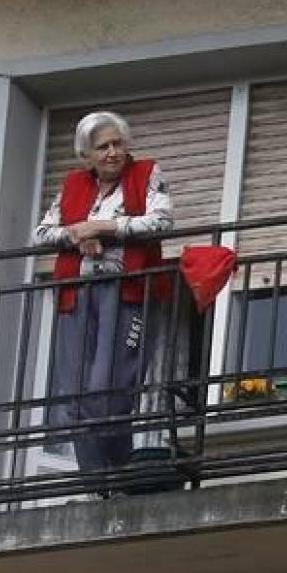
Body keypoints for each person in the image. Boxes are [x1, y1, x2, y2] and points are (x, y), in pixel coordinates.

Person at [34, 111, 175, 490]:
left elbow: (161, 222)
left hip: (126, 293)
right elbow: (43, 233)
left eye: (118, 144)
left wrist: (106, 227)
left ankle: (119, 476)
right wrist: (78, 235)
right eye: (103, 147)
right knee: (76, 398)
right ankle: (96, 486)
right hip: (77, 295)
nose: (113, 152)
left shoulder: (147, 173)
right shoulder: (74, 185)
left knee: (108, 394)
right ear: (87, 156)